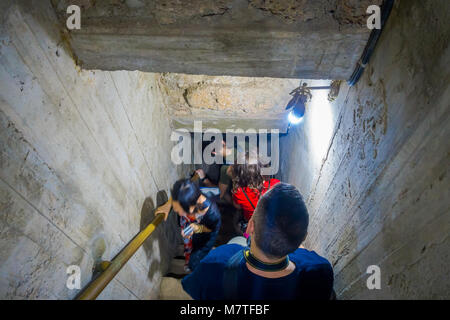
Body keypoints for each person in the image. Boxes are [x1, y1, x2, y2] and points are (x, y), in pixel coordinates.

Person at [181, 183, 334, 300]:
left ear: (250, 227)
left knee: (238, 241)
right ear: (303, 238)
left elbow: (189, 289)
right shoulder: (320, 271)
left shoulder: (217, 262)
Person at [156, 179, 221, 272]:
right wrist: (168, 204)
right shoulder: (190, 194)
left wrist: (198, 228)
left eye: (179, 211)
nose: (177, 212)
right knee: (188, 244)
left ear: (191, 207)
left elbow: (211, 229)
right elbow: (179, 192)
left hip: (205, 233)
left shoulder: (212, 214)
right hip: (190, 225)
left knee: (197, 256)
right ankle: (188, 260)